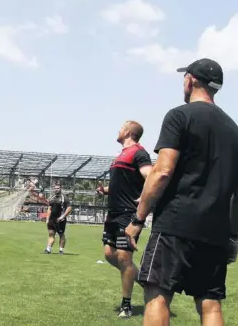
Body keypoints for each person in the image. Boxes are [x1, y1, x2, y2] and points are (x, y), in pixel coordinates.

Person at [125, 58, 238, 326]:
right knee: (209, 303)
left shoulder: (179, 115)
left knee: (157, 294)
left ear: (191, 80)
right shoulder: (234, 130)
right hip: (216, 230)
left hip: (177, 223)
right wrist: (233, 234)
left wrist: (138, 220)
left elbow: (162, 172)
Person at [96, 120, 152, 318]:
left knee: (123, 256)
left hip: (128, 214)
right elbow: (123, 185)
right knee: (109, 255)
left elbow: (150, 176)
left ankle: (126, 305)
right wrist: (106, 191)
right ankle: (144, 281)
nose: (118, 130)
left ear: (128, 132)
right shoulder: (121, 155)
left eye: (121, 127)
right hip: (113, 213)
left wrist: (145, 195)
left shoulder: (139, 152)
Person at [44, 181, 72, 255]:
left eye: (58, 188)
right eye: (55, 188)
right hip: (52, 219)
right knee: (51, 233)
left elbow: (69, 208)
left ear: (60, 188)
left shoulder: (64, 197)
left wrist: (63, 216)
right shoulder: (52, 197)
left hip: (60, 220)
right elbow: (49, 209)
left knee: (61, 234)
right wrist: (47, 218)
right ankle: (48, 249)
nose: (56, 189)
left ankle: (61, 250)